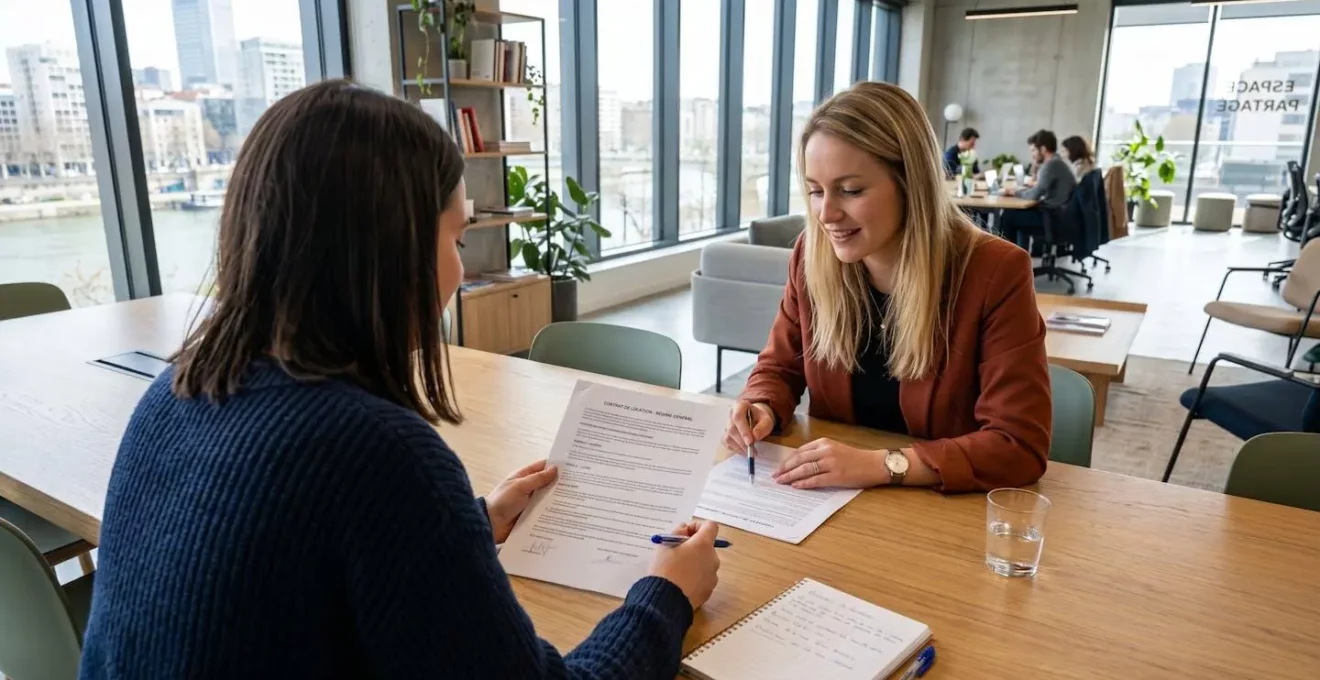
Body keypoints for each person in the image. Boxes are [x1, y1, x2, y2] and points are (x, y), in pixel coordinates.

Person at [79, 80, 721, 679]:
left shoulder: (175, 391)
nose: (461, 273)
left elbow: (301, 564)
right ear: (396, 249)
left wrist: (466, 524)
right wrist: (665, 597)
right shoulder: (377, 452)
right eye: (458, 240)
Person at [723, 82, 1050, 494]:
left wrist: (881, 465)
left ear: (910, 183)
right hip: (831, 503)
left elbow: (1018, 445)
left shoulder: (995, 271)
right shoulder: (812, 254)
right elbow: (781, 368)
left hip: (941, 511)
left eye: (851, 190)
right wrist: (760, 405)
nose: (826, 213)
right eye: (815, 190)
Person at [1000, 129, 1077, 249]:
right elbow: (1039, 188)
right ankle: (1019, 257)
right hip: (1060, 215)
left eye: (1033, 150)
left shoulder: (1051, 165)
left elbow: (1034, 195)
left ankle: (1008, 259)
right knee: (1015, 214)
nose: (1032, 155)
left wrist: (1013, 192)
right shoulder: (1057, 162)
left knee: (1008, 216)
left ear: (1043, 149)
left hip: (1053, 218)